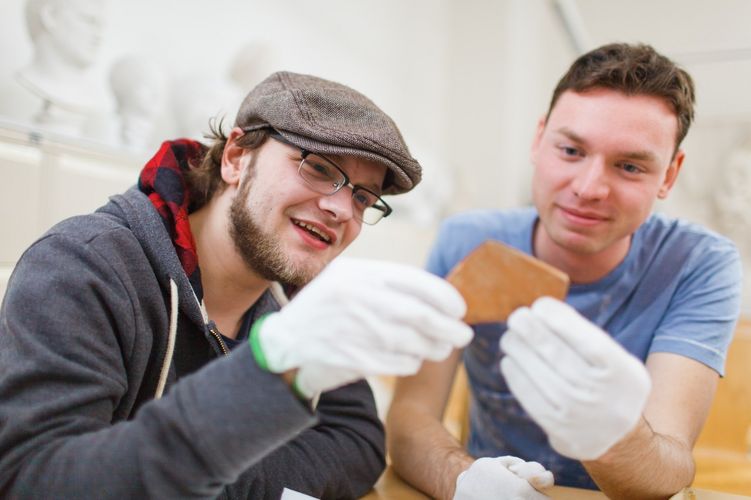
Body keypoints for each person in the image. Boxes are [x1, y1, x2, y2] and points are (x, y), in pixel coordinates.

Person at [0, 71, 474, 498]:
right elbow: (33, 478)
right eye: (319, 167)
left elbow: (357, 443)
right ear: (235, 158)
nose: (342, 210)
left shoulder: (302, 295)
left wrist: (221, 484)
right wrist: (266, 372)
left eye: (363, 196)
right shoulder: (85, 265)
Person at [387, 43, 743, 499]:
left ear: (670, 175)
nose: (589, 188)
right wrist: (466, 480)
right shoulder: (468, 242)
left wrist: (608, 433)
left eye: (630, 166)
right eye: (571, 150)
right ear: (539, 140)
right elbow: (410, 416)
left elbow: (669, 470)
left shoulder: (699, 264)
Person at [8, 0, 111, 135]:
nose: (99, 36)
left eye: (100, 25)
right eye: (89, 20)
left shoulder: (99, 110)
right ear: (50, 16)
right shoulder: (10, 95)